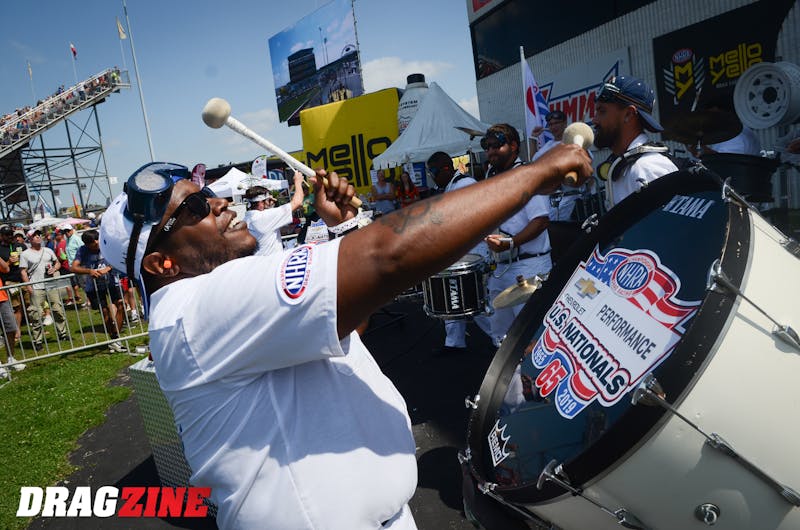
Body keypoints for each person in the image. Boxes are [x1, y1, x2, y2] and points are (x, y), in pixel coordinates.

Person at [99, 150, 592, 530]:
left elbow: (348, 328)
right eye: (194, 207)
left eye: (207, 193)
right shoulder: (196, 307)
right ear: (161, 263)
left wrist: (344, 229)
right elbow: (385, 257)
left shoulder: (202, 304)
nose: (218, 202)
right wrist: (534, 175)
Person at [483, 124, 553, 343]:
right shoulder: (494, 178)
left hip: (529, 267)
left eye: (497, 145)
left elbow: (540, 221)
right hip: (501, 268)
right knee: (501, 337)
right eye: (487, 147)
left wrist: (511, 243)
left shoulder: (527, 176)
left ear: (514, 146)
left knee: (531, 336)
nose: (491, 151)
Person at [426, 151, 492, 354]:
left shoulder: (465, 184)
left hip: (474, 253)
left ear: (446, 169)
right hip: (459, 254)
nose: (432, 177)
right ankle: (454, 343)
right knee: (452, 297)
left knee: (475, 301)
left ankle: (500, 340)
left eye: (434, 172)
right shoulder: (448, 187)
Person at [592, 75, 677, 208]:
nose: (594, 120)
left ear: (628, 114)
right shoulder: (624, 165)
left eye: (602, 111)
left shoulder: (647, 169)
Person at [71, 230, 125, 352]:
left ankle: (116, 337)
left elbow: (120, 258)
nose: (97, 244)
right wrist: (89, 271)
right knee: (105, 311)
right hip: (94, 286)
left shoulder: (106, 244)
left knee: (121, 304)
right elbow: (73, 267)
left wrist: (108, 268)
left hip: (112, 281)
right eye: (93, 243)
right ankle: (113, 339)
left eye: (97, 240)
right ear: (87, 244)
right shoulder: (82, 250)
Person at [19, 229, 68, 349]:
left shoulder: (48, 250)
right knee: (36, 314)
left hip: (51, 285)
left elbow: (57, 263)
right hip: (36, 287)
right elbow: (23, 272)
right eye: (34, 236)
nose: (38, 237)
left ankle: (63, 334)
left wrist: (54, 268)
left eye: (39, 235)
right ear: (29, 239)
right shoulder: (25, 254)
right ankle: (38, 341)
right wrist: (28, 286)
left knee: (57, 309)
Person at [243, 171, 305, 256]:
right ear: (260, 203)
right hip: (271, 261)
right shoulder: (265, 216)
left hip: (258, 259)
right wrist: (297, 182)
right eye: (268, 200)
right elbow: (297, 202)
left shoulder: (246, 218)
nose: (271, 203)